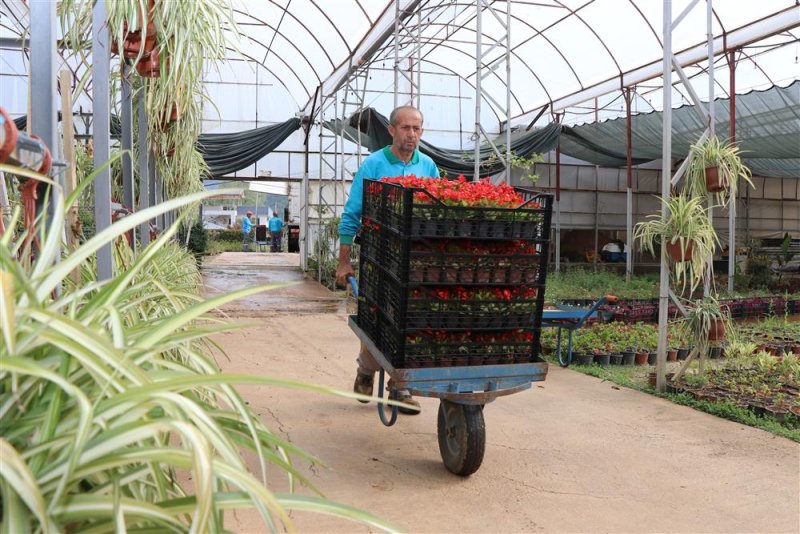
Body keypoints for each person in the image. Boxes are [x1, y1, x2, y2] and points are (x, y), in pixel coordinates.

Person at [336, 105, 440, 415]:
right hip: (379, 257)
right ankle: (366, 371)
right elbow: (352, 213)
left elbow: (436, 210)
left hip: (415, 259)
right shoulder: (374, 165)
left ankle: (400, 387)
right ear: (392, 130)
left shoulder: (429, 167)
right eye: (406, 128)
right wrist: (344, 261)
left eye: (417, 129)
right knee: (377, 318)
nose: (412, 134)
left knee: (409, 321)